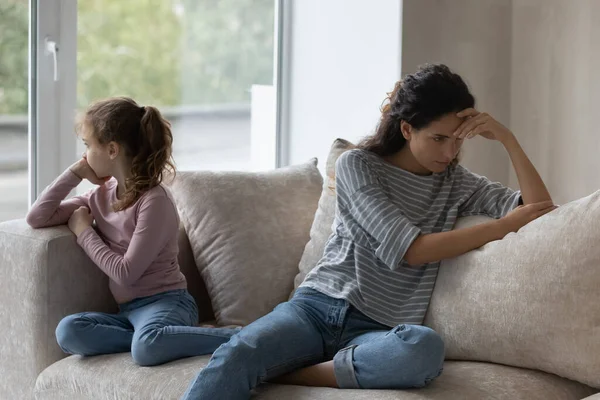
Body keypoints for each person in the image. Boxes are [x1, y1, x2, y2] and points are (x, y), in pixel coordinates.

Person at [180, 63, 556, 400]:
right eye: (439, 138)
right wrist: (502, 227)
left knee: (422, 351)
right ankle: (266, 352)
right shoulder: (358, 166)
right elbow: (412, 249)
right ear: (407, 129)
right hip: (317, 308)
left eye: (458, 139)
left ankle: (296, 369)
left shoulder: (457, 183)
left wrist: (508, 139)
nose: (450, 151)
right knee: (239, 354)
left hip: (379, 330)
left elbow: (540, 211)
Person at [26, 97, 239, 366]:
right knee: (69, 332)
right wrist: (76, 172)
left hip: (168, 304)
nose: (84, 155)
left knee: (147, 348)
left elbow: (126, 274)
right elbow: (37, 217)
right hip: (129, 313)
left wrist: (84, 232)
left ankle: (237, 336)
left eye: (88, 146)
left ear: (112, 149)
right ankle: (167, 338)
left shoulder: (155, 200)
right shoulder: (99, 196)